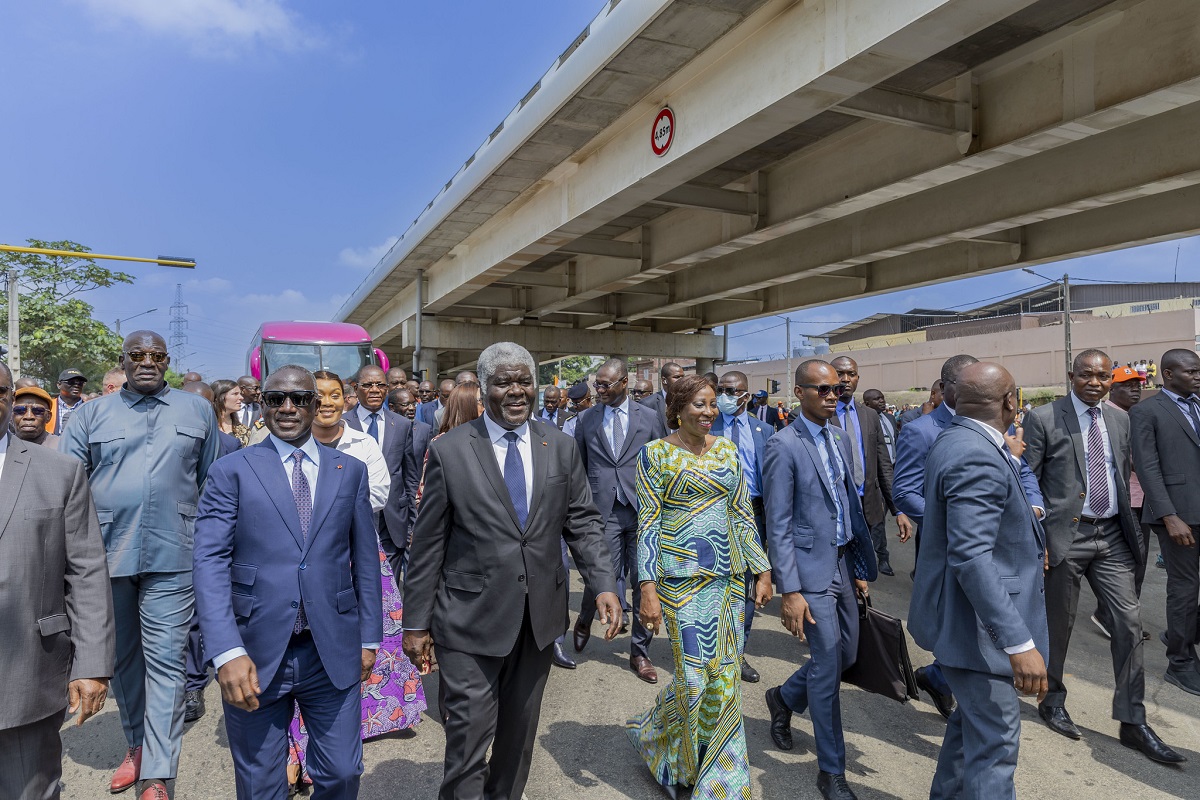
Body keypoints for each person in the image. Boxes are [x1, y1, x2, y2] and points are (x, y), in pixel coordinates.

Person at [403, 342, 622, 800]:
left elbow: (582, 521)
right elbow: (428, 544)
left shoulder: (559, 446)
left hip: (537, 620)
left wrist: (603, 583)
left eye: (525, 380)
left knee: (518, 738)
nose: (517, 391)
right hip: (468, 620)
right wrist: (416, 622)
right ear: (483, 389)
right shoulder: (450, 451)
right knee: (467, 737)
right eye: (504, 382)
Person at [193, 365, 381, 800]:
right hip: (254, 654)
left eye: (300, 399)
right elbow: (209, 561)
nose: (289, 407)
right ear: (263, 404)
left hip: (330, 649)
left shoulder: (349, 470)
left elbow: (365, 560)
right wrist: (225, 650)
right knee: (261, 784)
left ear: (317, 405)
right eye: (277, 398)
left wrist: (370, 637)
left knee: (342, 773)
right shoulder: (231, 471)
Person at [59, 331, 220, 799]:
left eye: (156, 356)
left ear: (167, 361)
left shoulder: (197, 411)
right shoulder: (91, 414)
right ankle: (136, 743)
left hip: (174, 553)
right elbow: (69, 487)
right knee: (124, 660)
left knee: (167, 661)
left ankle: (158, 771)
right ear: (124, 361)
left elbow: (208, 480)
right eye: (137, 355)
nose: (147, 362)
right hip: (106, 556)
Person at [1022, 349, 1182, 762]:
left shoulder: (1120, 418)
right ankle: (1052, 699)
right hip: (1064, 538)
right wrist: (1036, 538)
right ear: (1071, 375)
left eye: (1102, 376)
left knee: (1129, 624)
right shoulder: (1043, 418)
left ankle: (1132, 720)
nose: (1095, 383)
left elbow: (1130, 470)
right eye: (1086, 375)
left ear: (1111, 378)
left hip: (1111, 535)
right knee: (1059, 625)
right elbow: (1028, 479)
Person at [909, 361, 1050, 800]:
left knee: (967, 735)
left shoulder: (960, 438)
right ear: (1011, 402)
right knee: (995, 748)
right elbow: (972, 557)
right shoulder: (976, 453)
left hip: (963, 624)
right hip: (980, 633)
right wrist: (1019, 644)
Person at [628, 375, 772, 799]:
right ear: (676, 409)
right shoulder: (654, 455)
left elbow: (743, 514)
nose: (709, 412)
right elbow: (648, 523)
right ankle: (671, 756)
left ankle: (721, 783)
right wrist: (647, 588)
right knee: (693, 681)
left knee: (723, 680)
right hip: (679, 583)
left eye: (713, 405)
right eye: (700, 405)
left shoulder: (727, 451)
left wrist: (761, 570)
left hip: (726, 580)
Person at [286, 370, 425, 791]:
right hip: (298, 561)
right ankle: (295, 749)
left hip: (358, 552)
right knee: (298, 646)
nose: (327, 403)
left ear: (345, 400)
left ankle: (346, 736)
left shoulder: (362, 444)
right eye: (319, 396)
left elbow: (380, 493)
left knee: (365, 647)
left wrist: (335, 500)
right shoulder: (290, 440)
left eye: (334, 395)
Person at [761, 360, 877, 800]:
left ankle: (785, 697)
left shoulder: (841, 437)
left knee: (847, 654)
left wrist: (860, 570)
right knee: (828, 667)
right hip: (809, 574)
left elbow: (847, 506)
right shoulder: (783, 446)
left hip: (844, 564)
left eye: (838, 387)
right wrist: (790, 591)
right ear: (800, 392)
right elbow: (779, 523)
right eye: (823, 388)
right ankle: (832, 771)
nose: (834, 393)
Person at [0, 361, 115, 800]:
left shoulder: (59, 472)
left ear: (11, 400)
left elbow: (85, 570)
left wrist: (92, 664)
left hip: (28, 673)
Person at [573, 357, 669, 683]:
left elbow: (661, 462)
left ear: (624, 383)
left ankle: (639, 652)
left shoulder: (652, 418)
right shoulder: (586, 419)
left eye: (605, 384)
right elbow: (579, 467)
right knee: (604, 573)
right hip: (605, 510)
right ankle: (585, 618)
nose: (598, 390)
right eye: (596, 384)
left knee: (644, 580)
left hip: (642, 509)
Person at [1130, 348, 1200, 695]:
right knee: (1184, 589)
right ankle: (1181, 661)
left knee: (1189, 599)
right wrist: (1169, 515)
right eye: (1191, 372)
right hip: (1179, 515)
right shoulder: (1147, 411)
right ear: (1168, 374)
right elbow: (1146, 467)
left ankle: (1182, 631)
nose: (1198, 376)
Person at [177, 380, 240, 723]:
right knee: (188, 617)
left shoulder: (230, 445)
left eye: (202, 404)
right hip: (177, 538)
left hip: (219, 542)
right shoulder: (164, 443)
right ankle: (192, 682)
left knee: (209, 609)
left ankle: (201, 676)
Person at [712, 369, 775, 682]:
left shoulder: (764, 430)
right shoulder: (705, 426)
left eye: (731, 390)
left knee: (747, 586)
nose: (724, 395)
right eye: (721, 389)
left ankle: (737, 653)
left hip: (753, 513)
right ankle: (711, 652)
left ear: (746, 396)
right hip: (712, 514)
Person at [830, 356, 912, 577]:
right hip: (834, 506)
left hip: (867, 504)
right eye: (840, 374)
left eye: (851, 374)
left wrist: (898, 509)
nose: (846, 379)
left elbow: (883, 463)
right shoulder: (822, 415)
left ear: (858, 378)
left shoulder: (870, 416)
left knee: (862, 571)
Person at [346, 365, 419, 581]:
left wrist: (412, 523)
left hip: (393, 520)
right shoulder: (342, 424)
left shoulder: (403, 425)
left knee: (389, 588)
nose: (375, 390)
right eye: (368, 385)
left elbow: (410, 476)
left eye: (380, 385)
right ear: (355, 388)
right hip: (352, 517)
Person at [1096, 365, 1155, 632]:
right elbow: (1131, 461)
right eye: (1128, 385)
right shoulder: (1110, 418)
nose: (1135, 389)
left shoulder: (1134, 416)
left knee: (1135, 561)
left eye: (1138, 385)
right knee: (1130, 561)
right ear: (1112, 388)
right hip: (1124, 500)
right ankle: (1117, 618)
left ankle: (1117, 615)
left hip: (1141, 498)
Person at [10, 384, 60, 448]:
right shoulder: (3, 447)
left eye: (38, 411)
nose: (28, 416)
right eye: (19, 410)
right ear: (11, 415)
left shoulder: (61, 447)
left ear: (48, 417)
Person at [212, 378, 251, 446]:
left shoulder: (244, 431)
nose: (241, 398)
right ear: (219, 397)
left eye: (240, 394)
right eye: (235, 394)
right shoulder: (206, 427)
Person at [862, 389, 896, 463]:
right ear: (867, 404)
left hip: (894, 464)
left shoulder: (890, 418)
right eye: (877, 399)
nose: (882, 401)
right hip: (875, 465)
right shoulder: (863, 420)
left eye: (882, 398)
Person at [52, 367, 87, 434]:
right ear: (59, 385)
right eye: (71, 382)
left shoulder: (89, 409)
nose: (76, 385)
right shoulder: (48, 406)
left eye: (80, 383)